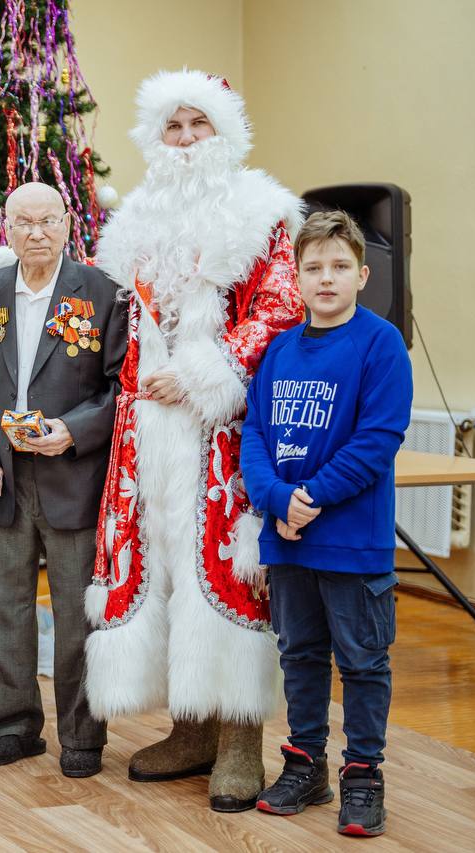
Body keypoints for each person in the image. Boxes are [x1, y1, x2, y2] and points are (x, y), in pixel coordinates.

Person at [86, 70, 305, 812]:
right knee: (168, 564)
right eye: (172, 127)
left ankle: (240, 733)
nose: (183, 140)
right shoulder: (137, 219)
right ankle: (191, 725)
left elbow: (281, 307)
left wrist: (204, 370)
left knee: (227, 569)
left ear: (224, 134)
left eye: (197, 125)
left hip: (225, 424)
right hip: (147, 426)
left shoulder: (263, 212)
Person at [242, 211, 411, 837]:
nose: (327, 278)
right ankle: (305, 763)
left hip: (351, 540)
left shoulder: (379, 343)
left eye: (340, 267)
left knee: (364, 661)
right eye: (313, 267)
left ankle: (363, 775)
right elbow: (255, 434)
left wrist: (307, 498)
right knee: (301, 654)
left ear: (362, 275)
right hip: (286, 538)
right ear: (297, 274)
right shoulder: (280, 349)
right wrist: (276, 499)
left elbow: (377, 439)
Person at [0, 182, 126, 777]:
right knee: (5, 604)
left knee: (79, 615)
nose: (35, 232)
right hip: (1, 475)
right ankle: (13, 725)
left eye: (47, 221)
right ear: (6, 228)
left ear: (66, 224)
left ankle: (82, 737)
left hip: (71, 475)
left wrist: (72, 430)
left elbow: (116, 389)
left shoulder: (100, 293)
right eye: (22, 222)